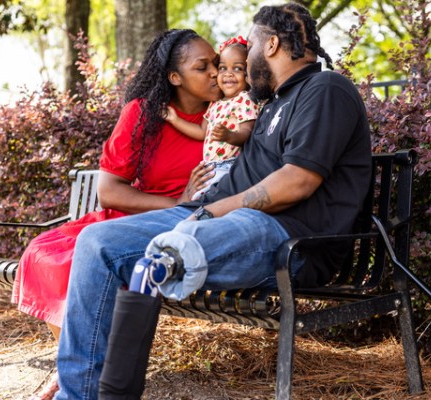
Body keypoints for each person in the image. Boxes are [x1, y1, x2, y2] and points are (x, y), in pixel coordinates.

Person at [55, 3, 372, 399]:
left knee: (183, 246)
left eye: (251, 47)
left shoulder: (325, 90)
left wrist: (209, 212)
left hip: (285, 236)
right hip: (209, 218)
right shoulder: (271, 103)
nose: (240, 61)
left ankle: (174, 251)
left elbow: (297, 182)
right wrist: (198, 209)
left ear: (271, 44)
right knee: (95, 243)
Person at [14, 28, 221, 400]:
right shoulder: (145, 113)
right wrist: (176, 202)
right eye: (202, 67)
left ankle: (73, 373)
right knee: (48, 255)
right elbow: (109, 190)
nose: (214, 73)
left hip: (189, 227)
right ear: (174, 77)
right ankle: (74, 367)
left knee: (84, 261)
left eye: (216, 65)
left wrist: (188, 205)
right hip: (136, 216)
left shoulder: (225, 117)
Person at [164, 35, 260, 200]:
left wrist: (229, 136)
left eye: (237, 68)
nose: (227, 74)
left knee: (206, 201)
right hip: (211, 167)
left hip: (230, 165)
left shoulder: (244, 99)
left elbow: (246, 132)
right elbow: (202, 131)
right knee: (199, 199)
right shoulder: (215, 103)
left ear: (248, 73)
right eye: (223, 68)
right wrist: (174, 119)